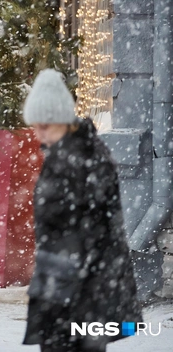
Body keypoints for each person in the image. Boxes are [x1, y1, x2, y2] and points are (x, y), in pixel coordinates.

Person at [21, 69, 142, 351]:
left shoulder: (83, 157)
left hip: (82, 288)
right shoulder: (66, 152)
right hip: (69, 282)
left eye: (45, 126)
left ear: (62, 120)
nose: (39, 134)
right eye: (35, 126)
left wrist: (61, 282)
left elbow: (90, 229)